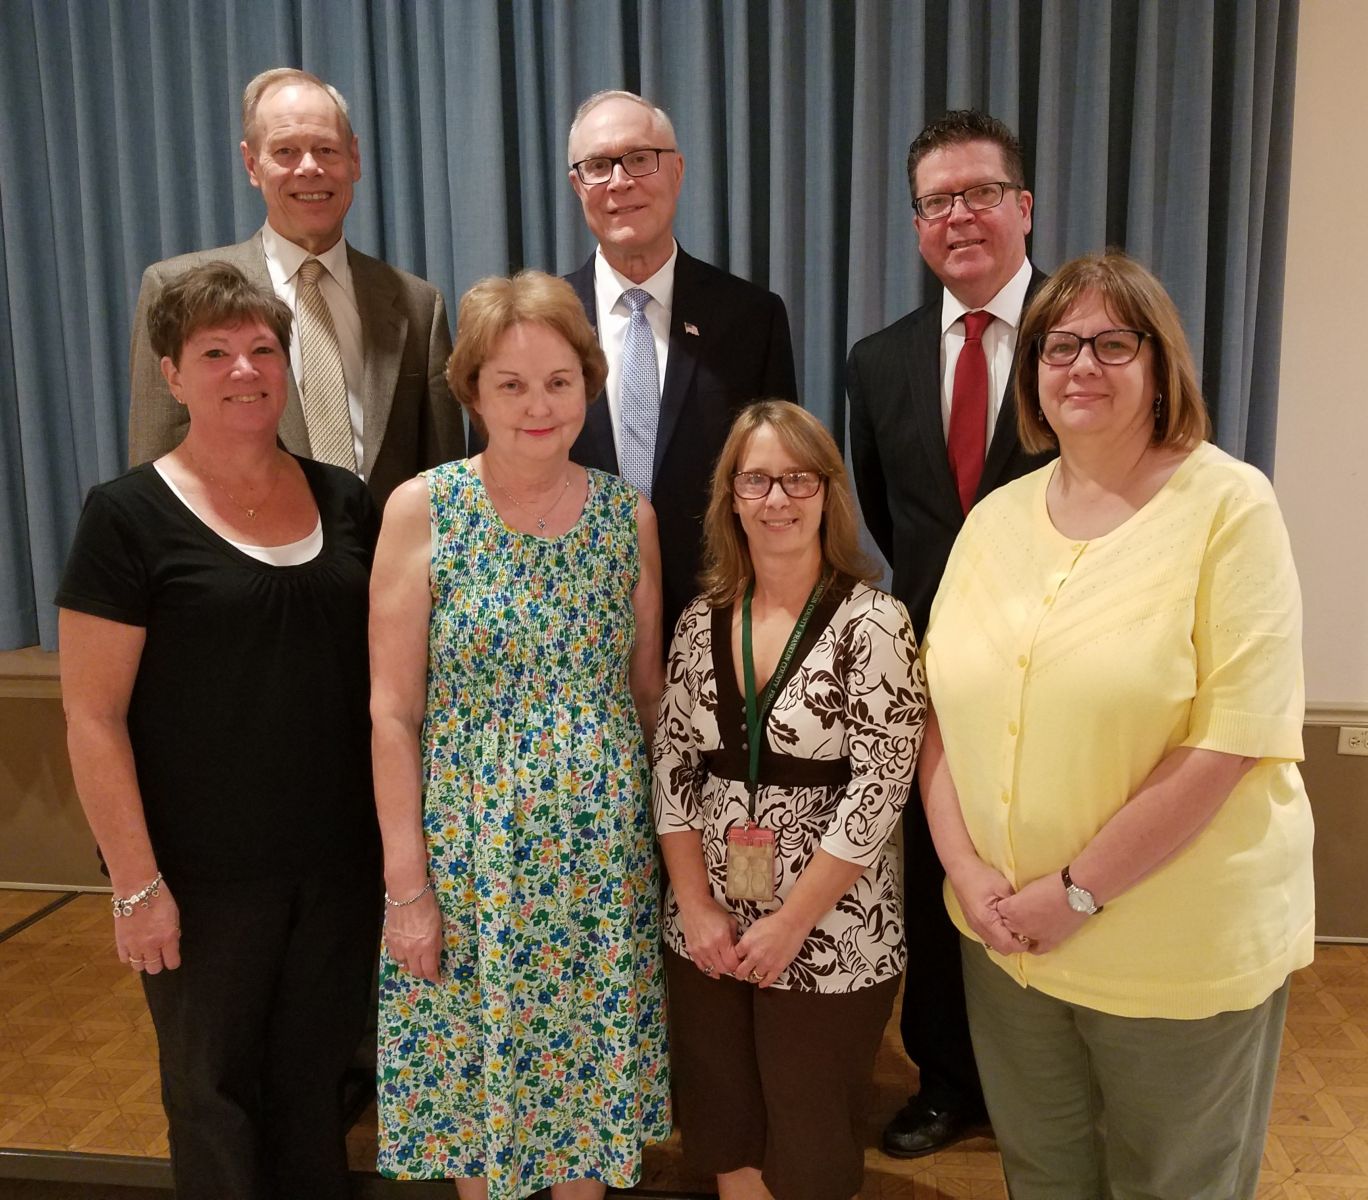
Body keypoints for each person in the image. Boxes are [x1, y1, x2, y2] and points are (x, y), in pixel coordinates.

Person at [920, 251, 1314, 1199]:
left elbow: (1229, 742)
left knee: (1171, 1183)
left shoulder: (1228, 504)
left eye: (1110, 342)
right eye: (1059, 345)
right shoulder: (996, 518)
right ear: (1034, 376)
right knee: (1043, 1174)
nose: (1081, 365)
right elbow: (936, 715)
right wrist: (967, 874)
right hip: (1005, 944)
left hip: (1169, 946)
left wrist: (1078, 893)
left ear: (1158, 368)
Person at [57, 262, 382, 1199]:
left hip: (334, 868)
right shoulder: (124, 517)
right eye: (215, 353)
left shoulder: (346, 500)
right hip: (199, 882)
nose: (245, 369)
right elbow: (91, 717)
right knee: (211, 1098)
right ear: (172, 375)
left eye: (262, 349)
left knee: (317, 1091)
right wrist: (135, 886)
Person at [369, 270, 670, 1198]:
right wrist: (406, 889)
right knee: (483, 1116)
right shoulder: (423, 510)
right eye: (510, 383)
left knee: (584, 1119)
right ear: (471, 391)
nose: (537, 405)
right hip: (471, 867)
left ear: (588, 387)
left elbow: (649, 700)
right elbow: (391, 712)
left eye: (557, 382)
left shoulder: (630, 517)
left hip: (601, 869)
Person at [845, 109, 1054, 1156]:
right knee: (937, 872)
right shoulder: (876, 362)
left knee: (1054, 859)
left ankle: (1052, 1084)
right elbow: (889, 517)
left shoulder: (1089, 338)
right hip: (933, 663)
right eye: (936, 201)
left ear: (1023, 206)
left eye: (979, 193)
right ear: (917, 225)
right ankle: (944, 1076)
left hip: (1067, 665)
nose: (958, 216)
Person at [654, 400, 925, 1200]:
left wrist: (790, 923)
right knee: (723, 1107)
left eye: (797, 479)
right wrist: (695, 905)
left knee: (807, 1119)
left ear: (827, 493)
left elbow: (880, 789)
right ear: (730, 497)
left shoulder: (875, 622)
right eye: (757, 479)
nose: (777, 498)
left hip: (832, 925)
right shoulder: (700, 621)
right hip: (706, 922)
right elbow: (671, 769)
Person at [128, 67, 464, 503]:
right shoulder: (177, 288)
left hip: (386, 565)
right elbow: (155, 475)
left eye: (326, 149)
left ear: (355, 159)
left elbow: (443, 482)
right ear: (252, 163)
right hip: (244, 562)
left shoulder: (419, 305)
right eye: (285, 151)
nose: (310, 168)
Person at [563, 89, 799, 640]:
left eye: (640, 158)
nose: (620, 181)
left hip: (724, 622)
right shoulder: (539, 326)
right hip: (570, 632)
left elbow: (781, 483)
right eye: (598, 166)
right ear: (578, 186)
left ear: (677, 170)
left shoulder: (752, 318)